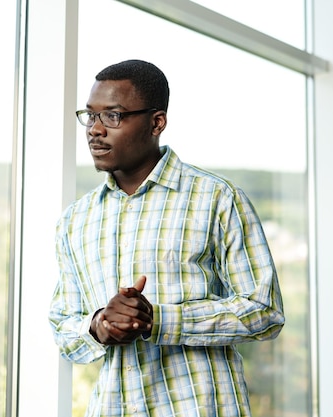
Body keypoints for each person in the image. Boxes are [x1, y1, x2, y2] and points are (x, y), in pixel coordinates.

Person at [48, 59, 285, 417]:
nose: (95, 130)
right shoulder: (75, 220)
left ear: (156, 122)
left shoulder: (216, 199)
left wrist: (158, 321)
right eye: (90, 115)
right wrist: (99, 325)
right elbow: (64, 326)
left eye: (112, 116)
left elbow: (264, 310)